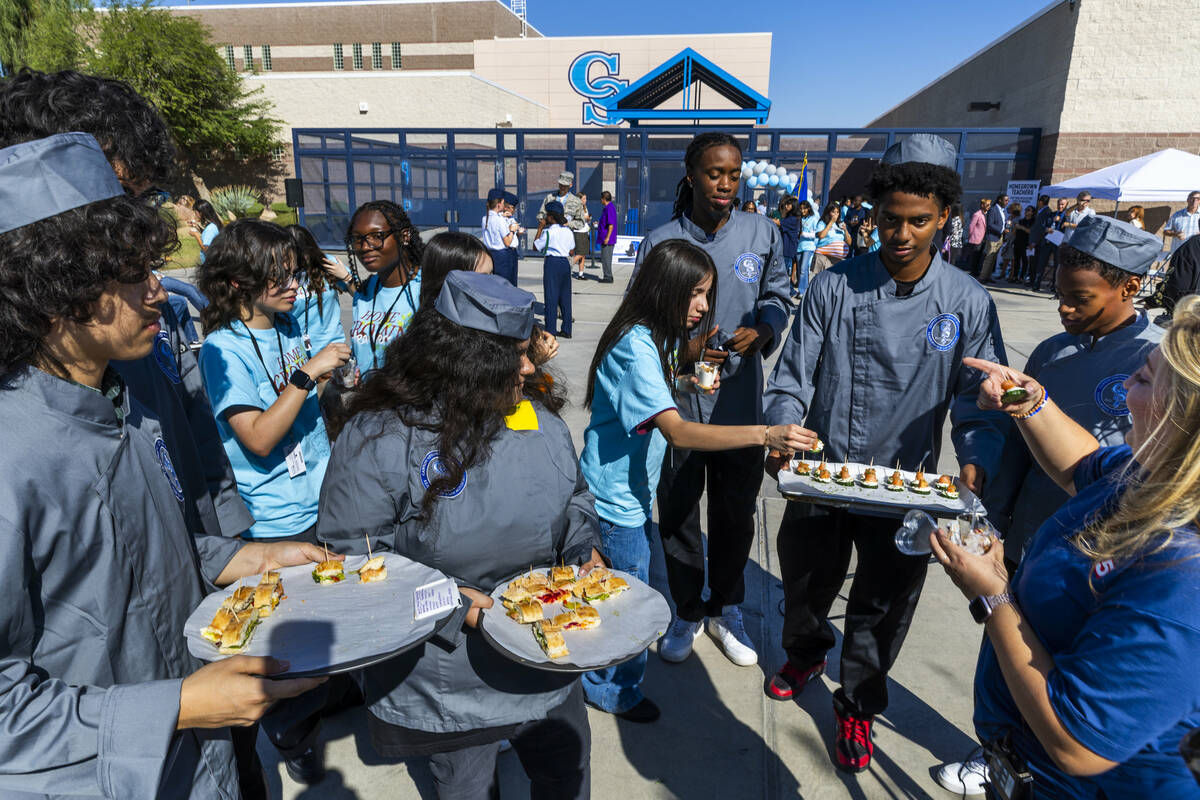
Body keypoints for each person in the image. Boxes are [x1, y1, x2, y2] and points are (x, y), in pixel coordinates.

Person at [0, 131, 332, 800]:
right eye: (131, 275)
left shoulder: (127, 402)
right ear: (55, 290)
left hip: (195, 762)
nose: (159, 290)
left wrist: (242, 560)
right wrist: (177, 707)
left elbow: (131, 565)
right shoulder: (14, 455)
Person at [762, 134, 1007, 774]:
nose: (901, 235)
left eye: (918, 221)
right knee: (807, 580)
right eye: (890, 220)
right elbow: (792, 376)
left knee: (883, 603)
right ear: (873, 215)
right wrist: (783, 429)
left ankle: (858, 704)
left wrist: (974, 460)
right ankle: (807, 650)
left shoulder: (966, 301)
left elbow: (981, 401)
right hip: (823, 473)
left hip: (907, 486)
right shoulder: (833, 286)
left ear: (946, 217)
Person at [317, 271, 602, 799]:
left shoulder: (536, 420)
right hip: (453, 678)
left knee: (566, 778)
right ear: (463, 362)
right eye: (513, 355)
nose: (529, 366)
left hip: (548, 654)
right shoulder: (380, 437)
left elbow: (575, 497)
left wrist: (585, 550)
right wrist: (452, 606)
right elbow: (352, 563)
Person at [936, 214, 1165, 796]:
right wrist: (990, 490)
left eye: (1078, 298)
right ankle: (997, 749)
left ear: (1129, 289)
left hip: (1095, 549)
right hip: (1033, 526)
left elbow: (1091, 469)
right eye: (1059, 295)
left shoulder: (1152, 360)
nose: (1063, 308)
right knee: (1005, 641)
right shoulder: (1053, 351)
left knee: (1048, 658)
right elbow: (1051, 451)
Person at [579, 239, 810, 723]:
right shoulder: (637, 344)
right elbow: (679, 430)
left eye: (708, 294)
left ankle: (608, 677)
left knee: (621, 591)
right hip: (614, 502)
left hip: (629, 496)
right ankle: (610, 689)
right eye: (696, 294)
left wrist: (686, 377)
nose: (705, 307)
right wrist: (766, 432)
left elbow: (648, 395)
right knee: (626, 601)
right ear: (665, 289)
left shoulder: (652, 338)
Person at [627, 132, 791, 668]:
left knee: (734, 514)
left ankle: (726, 607)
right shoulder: (661, 243)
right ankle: (688, 609)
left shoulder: (763, 233)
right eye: (714, 173)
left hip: (739, 408)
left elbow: (778, 298)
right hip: (677, 405)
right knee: (675, 513)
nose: (725, 183)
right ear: (691, 174)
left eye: (734, 173)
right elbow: (638, 321)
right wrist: (684, 348)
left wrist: (763, 332)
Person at [344, 200, 424, 380]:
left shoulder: (427, 288)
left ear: (404, 236)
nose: (365, 247)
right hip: (369, 404)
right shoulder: (364, 293)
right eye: (358, 239)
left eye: (377, 236)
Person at [288, 224, 351, 355]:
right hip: (296, 352)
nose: (298, 262)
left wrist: (346, 277)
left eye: (302, 255)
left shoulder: (327, 263)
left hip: (333, 349)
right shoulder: (281, 274)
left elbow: (361, 294)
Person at [534, 200, 575, 338]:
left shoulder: (548, 232)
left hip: (552, 262)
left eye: (547, 215)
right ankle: (567, 329)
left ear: (551, 217)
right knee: (565, 297)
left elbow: (536, 246)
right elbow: (571, 250)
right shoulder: (568, 231)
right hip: (564, 262)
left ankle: (551, 330)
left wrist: (540, 228)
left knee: (551, 297)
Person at [537, 170, 590, 275]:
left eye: (565, 185)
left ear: (570, 185)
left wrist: (568, 224)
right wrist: (548, 220)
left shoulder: (576, 201)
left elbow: (580, 222)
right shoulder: (550, 198)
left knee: (564, 274)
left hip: (566, 240)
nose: (562, 187)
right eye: (561, 184)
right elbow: (540, 215)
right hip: (552, 238)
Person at [481, 187, 520, 286]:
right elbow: (507, 242)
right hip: (503, 256)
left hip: (491, 254)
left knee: (495, 285)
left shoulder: (485, 218)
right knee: (507, 285)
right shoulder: (499, 220)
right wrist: (512, 230)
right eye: (503, 203)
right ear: (499, 204)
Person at [977, 192, 1008, 284]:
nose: (1007, 202)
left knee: (993, 258)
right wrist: (1002, 230)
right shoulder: (993, 210)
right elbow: (990, 224)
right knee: (989, 258)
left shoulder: (1002, 211)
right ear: (1000, 200)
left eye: (1008, 201)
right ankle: (982, 277)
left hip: (999, 237)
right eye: (1005, 200)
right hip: (993, 237)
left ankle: (988, 276)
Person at [814, 202, 851, 270]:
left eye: (837, 212)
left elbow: (849, 242)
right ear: (828, 212)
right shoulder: (823, 223)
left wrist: (845, 230)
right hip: (823, 257)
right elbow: (821, 236)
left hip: (837, 260)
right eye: (833, 212)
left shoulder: (839, 224)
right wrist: (831, 222)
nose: (836, 214)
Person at [778, 195, 802, 298]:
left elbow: (778, 223)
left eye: (788, 204)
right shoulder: (790, 217)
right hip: (785, 248)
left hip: (788, 249)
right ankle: (789, 291)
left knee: (782, 273)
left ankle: (791, 291)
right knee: (782, 272)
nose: (786, 206)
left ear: (793, 206)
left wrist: (763, 218)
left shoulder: (793, 219)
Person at [797, 199, 819, 293]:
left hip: (809, 247)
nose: (802, 211)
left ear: (809, 208)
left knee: (803, 269)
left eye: (804, 209)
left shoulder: (814, 218)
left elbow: (816, 234)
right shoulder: (800, 218)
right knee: (801, 270)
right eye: (801, 209)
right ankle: (805, 289)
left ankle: (801, 291)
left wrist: (804, 234)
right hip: (799, 246)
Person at [597, 190, 618, 283]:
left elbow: (611, 225)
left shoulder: (609, 208)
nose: (600, 201)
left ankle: (607, 277)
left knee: (606, 258)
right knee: (606, 258)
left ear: (604, 199)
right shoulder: (608, 208)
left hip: (607, 239)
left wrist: (607, 237)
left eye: (601, 199)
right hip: (606, 237)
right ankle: (609, 275)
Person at [1011, 205, 1035, 283]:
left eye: (1028, 210)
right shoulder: (1021, 220)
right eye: (1025, 210)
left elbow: (1030, 231)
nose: (1026, 211)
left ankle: (1021, 277)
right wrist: (1014, 227)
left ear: (1032, 212)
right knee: (1016, 260)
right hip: (1018, 242)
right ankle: (1015, 276)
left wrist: (1021, 227)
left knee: (1025, 261)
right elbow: (1014, 233)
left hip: (1026, 243)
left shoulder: (1033, 221)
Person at [966, 197, 989, 274]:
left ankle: (976, 270)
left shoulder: (986, 215)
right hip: (976, 238)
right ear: (982, 205)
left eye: (989, 205)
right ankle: (973, 271)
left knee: (979, 255)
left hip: (983, 239)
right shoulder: (977, 214)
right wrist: (970, 236)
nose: (989, 206)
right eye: (987, 205)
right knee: (975, 256)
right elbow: (971, 226)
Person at [942, 202, 964, 267]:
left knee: (949, 261)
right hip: (957, 243)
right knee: (953, 261)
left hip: (951, 243)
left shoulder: (954, 220)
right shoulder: (961, 219)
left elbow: (950, 231)